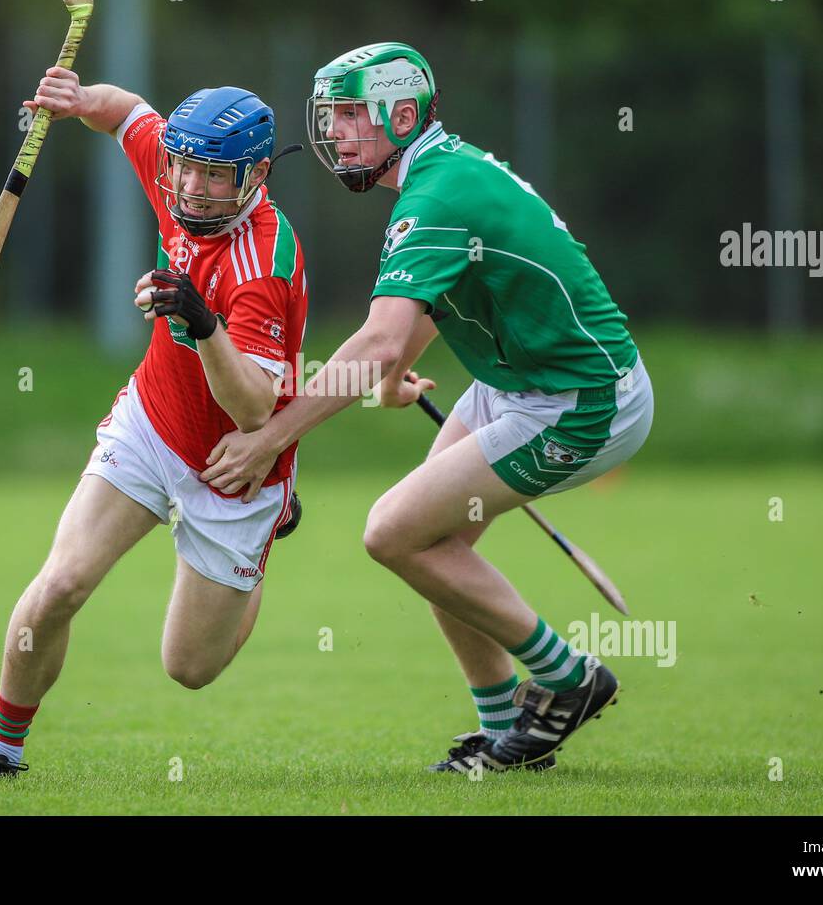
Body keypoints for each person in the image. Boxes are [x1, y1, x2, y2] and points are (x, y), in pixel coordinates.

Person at [200, 43, 653, 774]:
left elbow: (380, 337)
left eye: (352, 114)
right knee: (435, 542)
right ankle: (508, 730)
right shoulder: (440, 177)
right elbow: (429, 309)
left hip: (583, 398)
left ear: (402, 116)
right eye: (333, 115)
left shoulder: (436, 194)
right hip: (519, 383)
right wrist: (393, 375)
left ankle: (569, 680)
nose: (337, 131)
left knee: (394, 533)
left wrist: (271, 438)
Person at [0, 67, 307, 781]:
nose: (192, 188)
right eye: (184, 169)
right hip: (152, 421)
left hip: (238, 463)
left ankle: (263, 544)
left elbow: (256, 410)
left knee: (189, 668)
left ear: (257, 174)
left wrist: (201, 320)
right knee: (60, 586)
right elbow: (128, 112)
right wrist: (80, 103)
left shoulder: (265, 263)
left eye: (214, 176)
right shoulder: (175, 165)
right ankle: (2, 750)